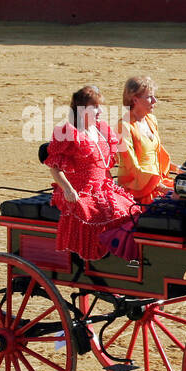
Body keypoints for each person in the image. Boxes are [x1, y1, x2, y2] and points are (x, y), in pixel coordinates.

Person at [45, 85, 141, 262]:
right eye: (94, 107)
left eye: (100, 106)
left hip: (104, 187)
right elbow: (54, 167)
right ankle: (96, 261)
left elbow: (105, 164)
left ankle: (116, 258)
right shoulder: (68, 132)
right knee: (99, 214)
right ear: (81, 110)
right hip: (79, 189)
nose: (100, 111)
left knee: (131, 210)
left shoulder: (101, 129)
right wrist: (68, 189)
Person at [116, 76, 177, 206]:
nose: (155, 101)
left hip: (157, 181)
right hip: (137, 187)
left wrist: (179, 169)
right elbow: (131, 166)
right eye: (149, 97)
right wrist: (158, 185)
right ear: (135, 99)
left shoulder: (151, 120)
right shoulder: (124, 126)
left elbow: (158, 154)